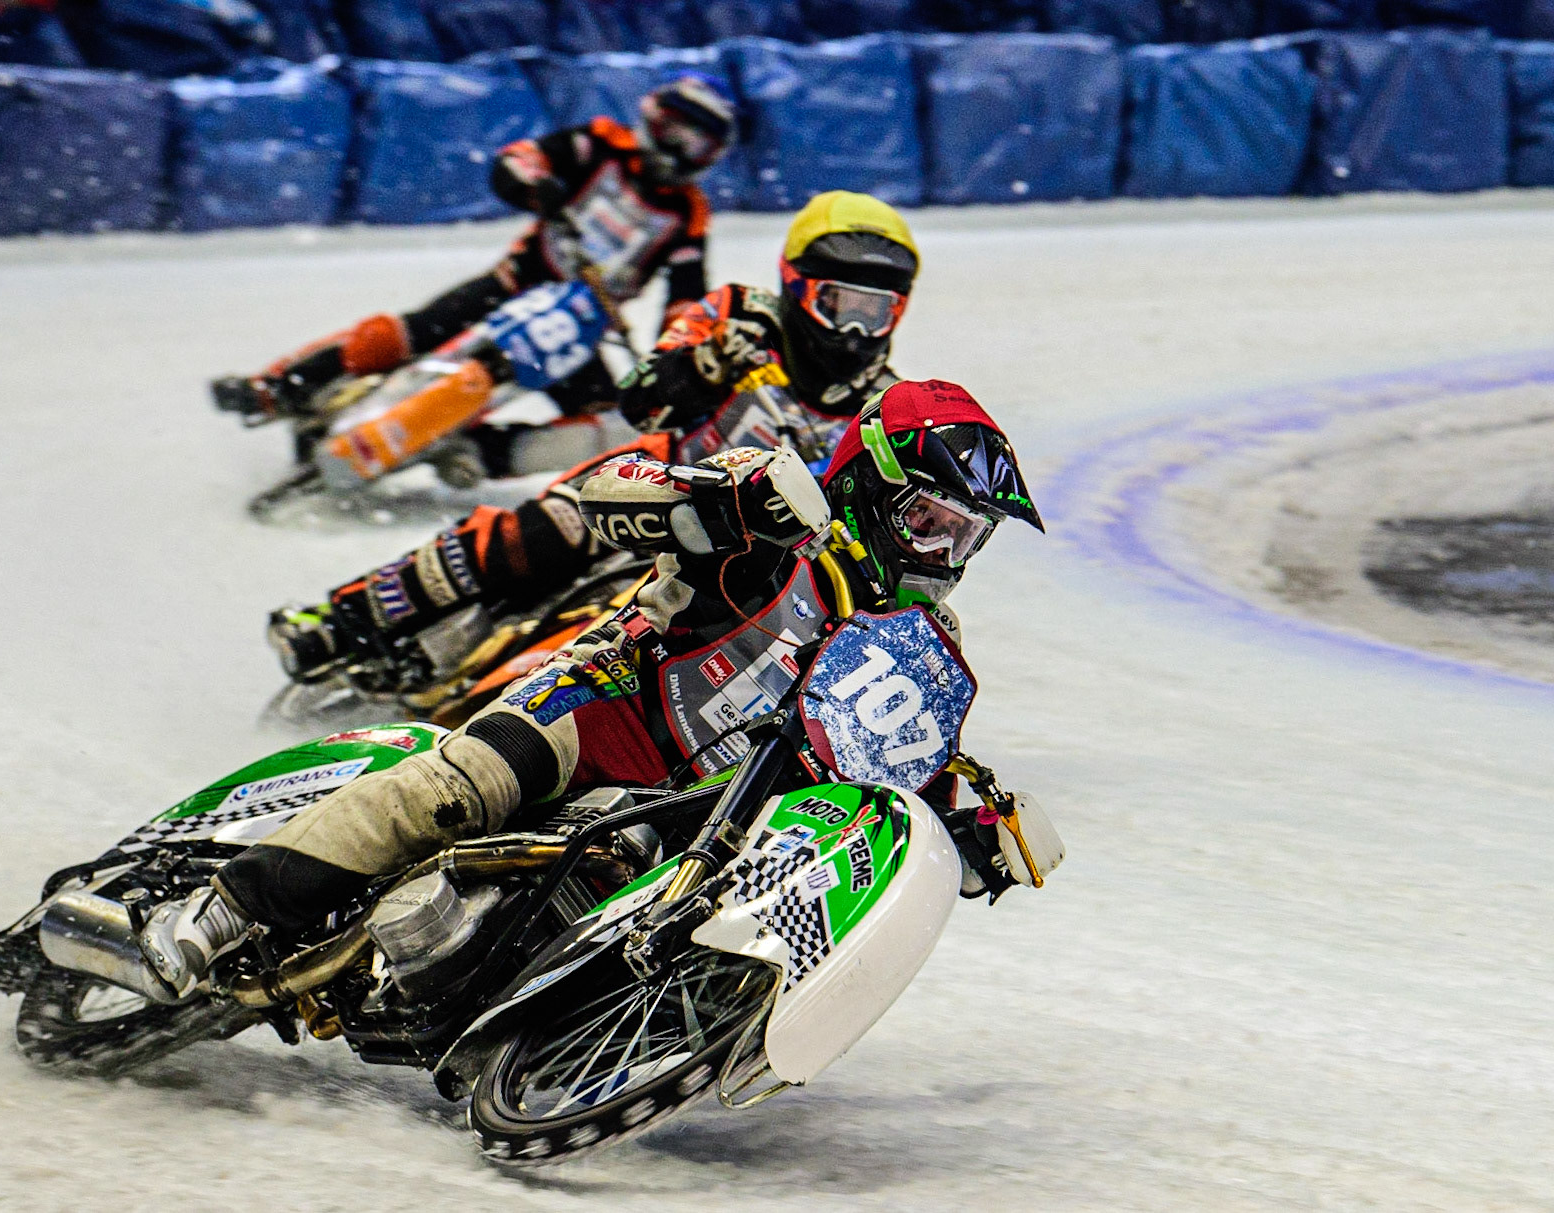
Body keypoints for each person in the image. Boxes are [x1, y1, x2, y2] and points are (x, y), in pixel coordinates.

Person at [142, 378, 1052, 996]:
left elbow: (890, 762)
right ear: (866, 481)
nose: (943, 553)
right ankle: (222, 909)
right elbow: (614, 485)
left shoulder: (924, 641)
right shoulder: (780, 505)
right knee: (457, 786)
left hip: (704, 814)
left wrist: (968, 829)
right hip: (602, 709)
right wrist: (723, 504)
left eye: (965, 535)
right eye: (928, 521)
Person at [266, 190, 922, 693]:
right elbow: (639, 398)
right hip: (657, 483)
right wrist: (704, 365)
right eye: (840, 305)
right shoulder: (738, 314)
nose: (855, 332)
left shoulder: (886, 407)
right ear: (797, 286)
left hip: (749, 559)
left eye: (875, 312)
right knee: (531, 534)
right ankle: (342, 620)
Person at [209, 75, 736, 423]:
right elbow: (519, 159)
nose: (677, 151)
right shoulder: (599, 144)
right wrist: (537, 186)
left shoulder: (687, 214)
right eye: (675, 132)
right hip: (514, 285)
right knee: (409, 333)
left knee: (606, 419)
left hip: (577, 326)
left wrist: (678, 354)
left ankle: (488, 452)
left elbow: (686, 294)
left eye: (695, 145)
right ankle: (281, 386)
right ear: (652, 119)